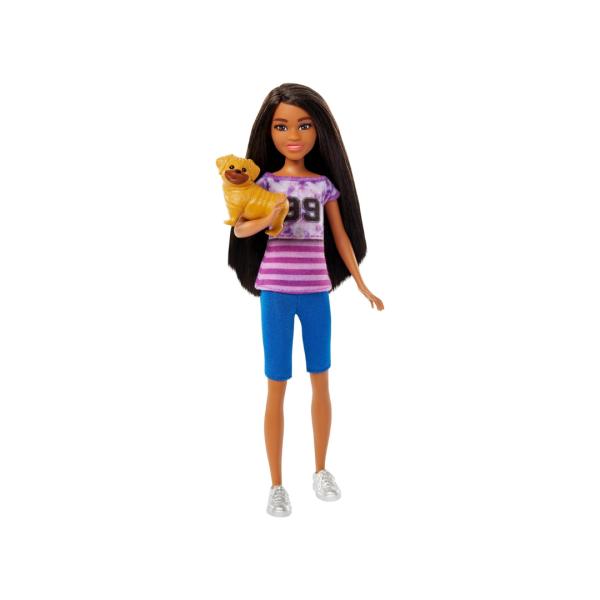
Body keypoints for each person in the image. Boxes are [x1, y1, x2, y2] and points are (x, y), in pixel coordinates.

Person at [228, 83, 384, 517]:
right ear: (269, 131)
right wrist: (268, 216)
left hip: (316, 291)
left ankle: (320, 469)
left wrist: (361, 283)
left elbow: (341, 237)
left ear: (319, 131)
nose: (293, 135)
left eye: (304, 125)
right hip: (276, 292)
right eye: (282, 126)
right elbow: (239, 228)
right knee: (276, 384)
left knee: (321, 379)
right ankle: (276, 484)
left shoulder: (323, 185)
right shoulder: (265, 183)